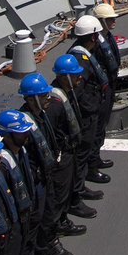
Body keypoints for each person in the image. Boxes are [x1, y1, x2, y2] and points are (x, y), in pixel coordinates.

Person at [0, 109, 61, 255]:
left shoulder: (21, 151)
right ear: (7, 135)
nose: (26, 135)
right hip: (16, 221)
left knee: (26, 252)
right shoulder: (3, 164)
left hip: (28, 214)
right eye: (21, 132)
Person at [19, 72, 83, 255]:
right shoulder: (24, 127)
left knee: (50, 210)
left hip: (49, 174)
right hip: (38, 180)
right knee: (42, 217)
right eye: (44, 95)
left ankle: (49, 240)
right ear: (31, 99)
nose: (49, 98)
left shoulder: (43, 115)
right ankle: (43, 250)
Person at [50, 54, 104, 218]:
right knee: (62, 188)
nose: (80, 77)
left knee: (75, 174)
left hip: (73, 147)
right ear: (65, 77)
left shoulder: (68, 92)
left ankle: (76, 196)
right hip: (64, 152)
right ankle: (68, 210)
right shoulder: (54, 103)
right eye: (75, 74)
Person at [68, 14, 112, 187]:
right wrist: (92, 108)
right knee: (85, 145)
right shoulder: (79, 59)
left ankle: (94, 162)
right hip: (89, 110)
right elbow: (79, 91)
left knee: (96, 137)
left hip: (95, 103)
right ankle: (86, 176)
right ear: (93, 36)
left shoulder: (85, 52)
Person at [90, 3, 122, 174]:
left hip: (109, 88)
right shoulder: (95, 44)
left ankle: (96, 158)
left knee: (102, 126)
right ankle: (92, 165)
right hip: (100, 91)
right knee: (95, 129)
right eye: (110, 18)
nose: (114, 20)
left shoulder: (108, 37)